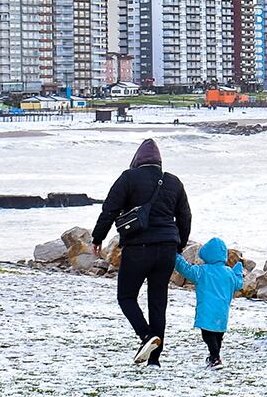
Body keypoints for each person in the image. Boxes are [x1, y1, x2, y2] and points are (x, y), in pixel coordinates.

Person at [91, 138, 193, 366]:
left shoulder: (128, 178)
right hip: (166, 249)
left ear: (137, 160)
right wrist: (179, 245)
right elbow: (185, 217)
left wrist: (98, 237)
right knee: (158, 302)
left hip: (138, 249)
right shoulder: (173, 182)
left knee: (126, 297)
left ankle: (146, 336)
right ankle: (154, 360)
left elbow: (110, 209)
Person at [173, 238, 247, 368]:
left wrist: (176, 257)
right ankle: (214, 356)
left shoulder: (202, 271)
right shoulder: (229, 273)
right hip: (222, 312)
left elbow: (186, 270)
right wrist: (238, 270)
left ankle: (215, 358)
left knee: (208, 335)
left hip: (206, 311)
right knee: (218, 335)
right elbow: (238, 284)